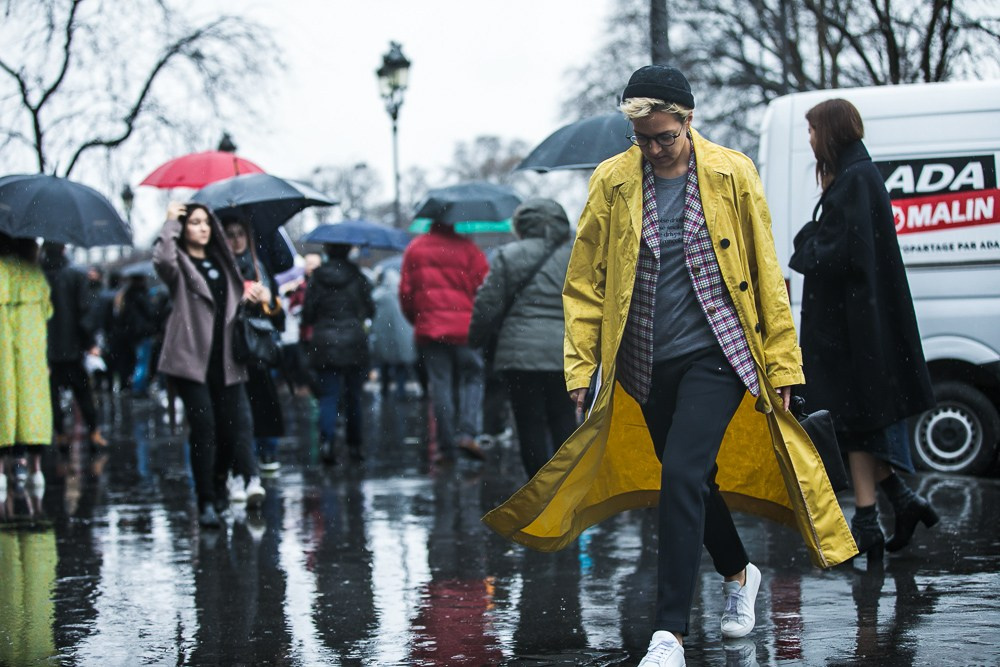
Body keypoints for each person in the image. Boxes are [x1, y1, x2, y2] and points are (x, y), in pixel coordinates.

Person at [482, 65, 856, 667]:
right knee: (694, 481)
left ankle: (669, 634)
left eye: (665, 137)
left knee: (680, 476)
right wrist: (580, 368)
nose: (654, 149)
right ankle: (738, 573)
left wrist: (785, 363)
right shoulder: (612, 181)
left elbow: (764, 273)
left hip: (720, 353)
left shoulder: (732, 172)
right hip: (643, 363)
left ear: (688, 122)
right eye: (643, 139)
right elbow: (584, 284)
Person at [789, 98, 938, 561]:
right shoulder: (856, 176)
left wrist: (804, 241)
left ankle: (870, 521)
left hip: (852, 335)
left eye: (813, 131)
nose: (810, 140)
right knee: (854, 422)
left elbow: (835, 254)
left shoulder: (854, 180)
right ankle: (898, 506)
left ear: (830, 131)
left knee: (852, 423)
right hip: (854, 331)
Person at [152, 202, 264, 528]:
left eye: (206, 223)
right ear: (185, 229)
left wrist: (253, 295)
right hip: (190, 359)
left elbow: (232, 297)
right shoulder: (180, 264)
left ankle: (218, 485)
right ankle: (205, 502)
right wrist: (171, 222)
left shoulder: (221, 262)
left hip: (226, 358)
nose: (202, 228)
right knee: (204, 429)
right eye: (194, 223)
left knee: (230, 432)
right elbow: (162, 260)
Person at [468, 199, 575, 478]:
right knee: (563, 419)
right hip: (564, 351)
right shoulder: (576, 255)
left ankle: (537, 491)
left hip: (519, 353)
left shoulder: (508, 255)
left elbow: (487, 303)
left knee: (529, 423)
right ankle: (566, 487)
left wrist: (476, 338)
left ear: (522, 225)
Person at [399, 214, 490, 464]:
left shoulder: (415, 249)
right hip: (465, 329)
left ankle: (446, 446)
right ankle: (468, 433)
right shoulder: (469, 249)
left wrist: (418, 319)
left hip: (431, 331)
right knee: (473, 377)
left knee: (441, 386)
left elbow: (406, 293)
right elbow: (485, 288)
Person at [222, 215, 286, 474]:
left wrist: (267, 300)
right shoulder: (221, 266)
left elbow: (277, 316)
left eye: (241, 234)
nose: (236, 240)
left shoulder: (258, 266)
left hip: (257, 345)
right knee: (236, 405)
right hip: (229, 344)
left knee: (264, 400)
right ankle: (240, 459)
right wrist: (238, 299)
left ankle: (266, 450)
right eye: (231, 234)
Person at [301, 243, 373, 465]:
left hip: (325, 342)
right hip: (353, 341)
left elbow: (308, 314)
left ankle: (327, 444)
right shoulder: (358, 276)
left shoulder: (317, 278)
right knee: (353, 397)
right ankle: (355, 446)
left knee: (328, 396)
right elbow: (370, 309)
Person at [0, 232, 53, 498]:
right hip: (32, 353)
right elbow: (48, 311)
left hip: (5, 351)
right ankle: (34, 468)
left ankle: (2, 470)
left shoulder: (2, 269)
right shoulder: (36, 274)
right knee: (32, 407)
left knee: (5, 404)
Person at [40, 242, 105, 449]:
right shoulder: (75, 275)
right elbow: (85, 312)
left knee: (53, 395)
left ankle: (60, 434)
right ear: (63, 249)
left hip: (46, 348)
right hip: (73, 347)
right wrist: (90, 343)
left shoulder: (37, 276)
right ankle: (93, 432)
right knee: (83, 392)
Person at [370, 266, 418, 401]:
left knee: (384, 365)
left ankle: (385, 391)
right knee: (400, 366)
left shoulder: (378, 296)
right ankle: (400, 392)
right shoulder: (403, 295)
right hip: (401, 338)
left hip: (383, 338)